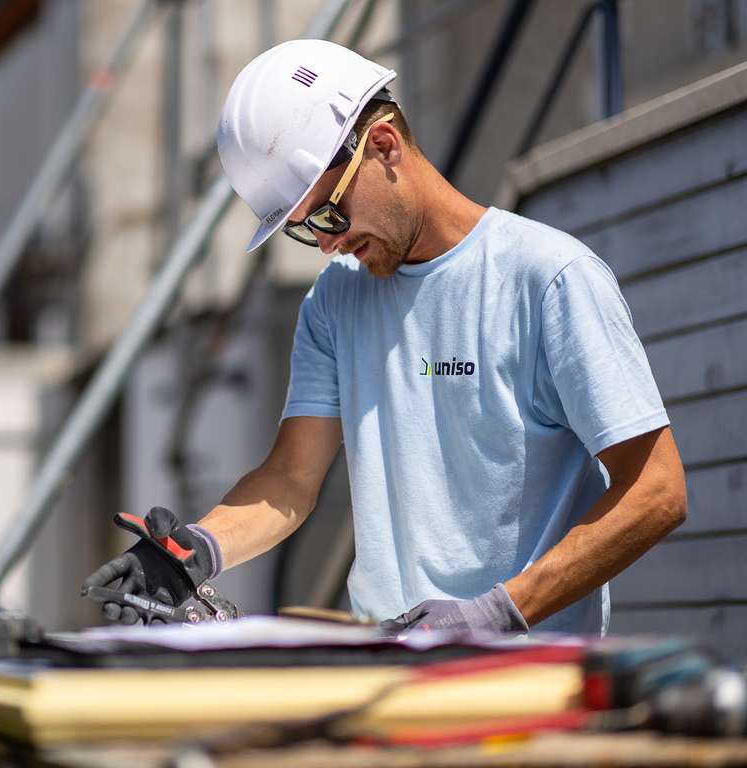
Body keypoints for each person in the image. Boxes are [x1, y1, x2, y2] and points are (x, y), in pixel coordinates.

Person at [82, 39, 687, 634]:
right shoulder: (335, 301)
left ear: (384, 146)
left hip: (524, 685)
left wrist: (499, 611)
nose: (326, 243)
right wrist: (194, 552)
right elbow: (291, 478)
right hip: (390, 673)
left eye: (327, 214)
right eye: (304, 231)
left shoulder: (549, 279)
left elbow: (656, 490)